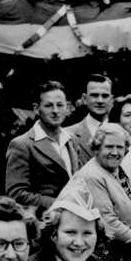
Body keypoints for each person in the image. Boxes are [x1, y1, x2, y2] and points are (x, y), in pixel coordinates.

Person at [56, 123, 131, 261]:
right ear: (96, 148)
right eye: (109, 146)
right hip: (108, 257)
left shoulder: (123, 168)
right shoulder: (92, 175)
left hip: (130, 251)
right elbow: (111, 224)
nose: (115, 152)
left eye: (120, 147)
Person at [6, 81, 85, 211]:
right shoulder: (21, 145)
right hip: (42, 223)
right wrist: (59, 204)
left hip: (72, 220)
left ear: (68, 107)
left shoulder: (72, 140)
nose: (55, 111)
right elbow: (16, 193)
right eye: (48, 105)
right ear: (37, 108)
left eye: (60, 105)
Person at [66, 74, 115, 161]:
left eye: (105, 96)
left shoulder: (122, 132)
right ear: (85, 99)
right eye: (94, 95)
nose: (100, 101)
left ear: (111, 99)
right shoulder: (68, 134)